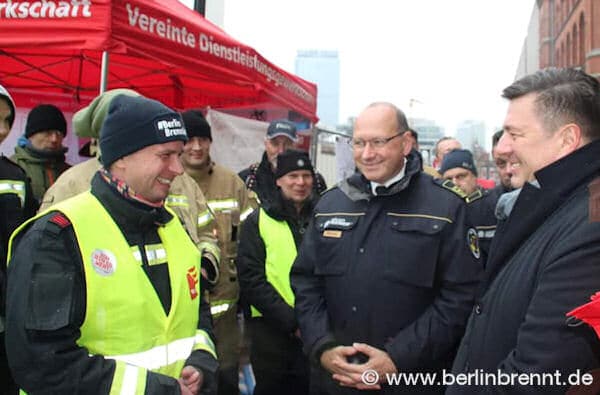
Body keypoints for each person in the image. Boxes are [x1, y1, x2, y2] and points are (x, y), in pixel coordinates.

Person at [5, 94, 219, 394]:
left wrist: (201, 361)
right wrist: (154, 389)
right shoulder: (57, 237)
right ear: (121, 157)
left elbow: (197, 314)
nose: (178, 169)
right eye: (165, 155)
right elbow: (41, 363)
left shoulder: (174, 226)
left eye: (178, 155)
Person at [290, 102, 481, 394]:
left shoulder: (445, 208)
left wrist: (398, 358)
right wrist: (322, 347)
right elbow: (306, 282)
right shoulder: (330, 204)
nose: (367, 154)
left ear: (405, 143)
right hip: (335, 380)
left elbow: (461, 297)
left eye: (378, 142)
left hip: (410, 380)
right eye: (359, 143)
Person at [448, 68, 600, 394]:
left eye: (515, 135)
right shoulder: (549, 202)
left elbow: (535, 377)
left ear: (566, 140)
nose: (501, 148)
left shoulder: (591, 227)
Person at [39, 89, 221, 289]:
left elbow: (207, 232)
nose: (176, 168)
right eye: (164, 155)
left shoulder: (182, 181)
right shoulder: (71, 184)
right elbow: (47, 262)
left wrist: (205, 264)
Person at [181, 110, 254, 395]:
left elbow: (251, 238)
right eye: (189, 140)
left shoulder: (231, 183)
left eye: (203, 139)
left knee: (224, 380)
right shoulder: (168, 183)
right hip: (181, 313)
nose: (197, 147)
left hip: (225, 314)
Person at [237, 149, 317, 395]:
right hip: (271, 331)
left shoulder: (324, 217)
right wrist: (292, 322)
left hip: (316, 328)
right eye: (293, 175)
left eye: (306, 175)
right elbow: (252, 279)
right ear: (279, 180)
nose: (300, 182)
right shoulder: (258, 221)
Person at [0, 84, 36, 395]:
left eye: (7, 121)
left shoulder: (15, 175)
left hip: (10, 308)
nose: (2, 130)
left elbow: (27, 237)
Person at [239, 119, 326, 207]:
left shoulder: (315, 181)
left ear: (296, 145)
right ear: (266, 144)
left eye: (287, 144)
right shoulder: (247, 178)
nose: (281, 151)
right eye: (275, 144)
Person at [440, 149, 497, 266]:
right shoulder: (440, 210)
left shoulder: (495, 204)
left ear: (475, 177)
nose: (455, 183)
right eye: (448, 179)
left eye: (461, 176)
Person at [11, 103, 71, 204]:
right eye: (47, 133)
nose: (54, 139)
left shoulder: (69, 172)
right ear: (31, 135)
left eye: (59, 133)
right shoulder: (12, 168)